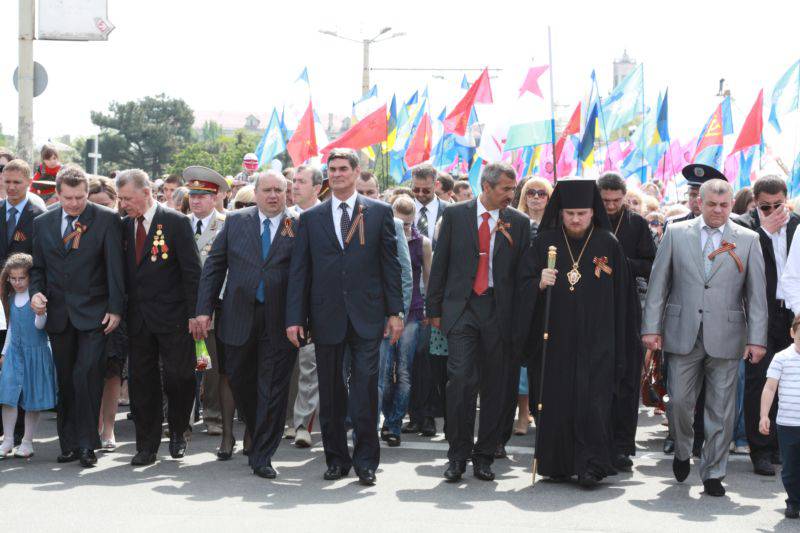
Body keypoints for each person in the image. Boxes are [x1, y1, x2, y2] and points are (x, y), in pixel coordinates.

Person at [642, 178, 767, 497]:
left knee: (721, 408)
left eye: (724, 206)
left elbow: (756, 295)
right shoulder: (676, 233)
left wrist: (757, 339)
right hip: (682, 331)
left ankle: (714, 471)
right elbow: (659, 284)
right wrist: (651, 328)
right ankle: (683, 450)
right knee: (680, 402)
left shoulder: (749, 239)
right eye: (712, 204)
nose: (718, 211)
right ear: (700, 202)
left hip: (727, 335)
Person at [286, 148, 404, 486]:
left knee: (365, 389)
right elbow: (300, 272)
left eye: (342, 169)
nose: (336, 174)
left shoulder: (379, 213)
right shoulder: (311, 218)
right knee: (332, 393)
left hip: (368, 316)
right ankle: (336, 459)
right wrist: (295, 318)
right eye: (331, 169)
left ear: (356, 171)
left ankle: (366, 461)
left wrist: (394, 312)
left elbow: (390, 267)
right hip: (326, 317)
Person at [517, 177, 630, 487]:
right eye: (570, 214)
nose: (576, 219)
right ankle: (558, 463)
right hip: (556, 340)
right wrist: (539, 282)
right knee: (557, 400)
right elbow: (522, 285)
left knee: (594, 402)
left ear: (593, 212)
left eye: (582, 213)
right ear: (562, 213)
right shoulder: (545, 242)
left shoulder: (608, 243)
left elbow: (623, 300)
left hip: (598, 340)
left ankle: (592, 465)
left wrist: (621, 340)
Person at [427, 162, 529, 482]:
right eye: (505, 190)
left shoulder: (519, 222)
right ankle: (457, 455)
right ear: (486, 186)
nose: (511, 196)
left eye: (513, 190)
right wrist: (435, 311)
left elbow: (523, 274)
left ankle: (485, 455)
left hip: (499, 313)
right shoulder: (456, 216)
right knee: (460, 381)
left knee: (496, 386)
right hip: (462, 310)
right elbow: (440, 263)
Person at [196, 170, 299, 479]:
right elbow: (215, 266)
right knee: (241, 381)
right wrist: (204, 310)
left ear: (286, 193)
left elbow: (306, 273)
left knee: (273, 387)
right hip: (239, 315)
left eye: (278, 191)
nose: (273, 196)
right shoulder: (237, 223)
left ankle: (263, 454)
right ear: (255, 193)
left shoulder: (297, 225)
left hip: (280, 319)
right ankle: (256, 428)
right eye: (267, 190)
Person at [30, 164, 124, 467]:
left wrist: (116, 308)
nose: (74, 204)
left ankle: (87, 444)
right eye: (68, 198)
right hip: (58, 314)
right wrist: (36, 293)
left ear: (86, 193)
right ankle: (68, 443)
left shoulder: (107, 219)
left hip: (95, 314)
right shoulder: (42, 223)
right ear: (57, 194)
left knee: (87, 376)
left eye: (80, 197)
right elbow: (38, 268)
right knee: (67, 380)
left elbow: (115, 269)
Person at [117, 168, 201, 466]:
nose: (124, 203)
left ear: (145, 192)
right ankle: (146, 445)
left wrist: (195, 313)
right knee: (142, 382)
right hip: (138, 319)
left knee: (180, 376)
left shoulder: (175, 222)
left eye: (128, 197)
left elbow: (192, 272)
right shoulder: (124, 227)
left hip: (174, 316)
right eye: (121, 198)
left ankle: (178, 428)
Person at [735, 175, 798, 475]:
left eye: (778, 205)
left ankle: (780, 447)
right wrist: (763, 232)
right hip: (761, 312)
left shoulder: (797, 224)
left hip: (794, 313)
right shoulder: (745, 226)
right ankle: (760, 449)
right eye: (765, 206)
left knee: (788, 382)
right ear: (756, 203)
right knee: (759, 380)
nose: (773, 211)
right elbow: (736, 261)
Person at [597, 172, 657, 471]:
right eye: (605, 200)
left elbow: (650, 264)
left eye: (615, 201)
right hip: (593, 306)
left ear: (624, 197)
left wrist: (619, 263)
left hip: (626, 306)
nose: (609, 206)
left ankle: (622, 445)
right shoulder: (589, 219)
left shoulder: (636, 224)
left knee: (626, 377)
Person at [184, 166, 236, 457]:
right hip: (184, 306)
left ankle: (215, 416)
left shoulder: (227, 224)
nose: (196, 201)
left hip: (214, 305)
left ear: (215, 197)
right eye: (192, 195)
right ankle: (184, 417)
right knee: (184, 364)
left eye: (203, 196)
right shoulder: (180, 224)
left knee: (213, 365)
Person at [379, 196, 432, 446]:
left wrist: (429, 312)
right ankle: (386, 417)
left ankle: (394, 424)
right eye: (401, 223)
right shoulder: (385, 238)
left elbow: (427, 280)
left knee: (403, 371)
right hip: (385, 313)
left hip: (413, 312)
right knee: (384, 372)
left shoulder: (423, 244)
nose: (406, 229)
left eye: (410, 224)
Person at [0, 253, 57, 459]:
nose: (17, 283)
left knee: (33, 397)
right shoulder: (10, 297)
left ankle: (27, 441)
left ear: (30, 277)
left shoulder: (38, 296)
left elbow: (40, 326)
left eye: (21, 278)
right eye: (13, 278)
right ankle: (7, 440)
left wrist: (40, 313)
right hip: (15, 351)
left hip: (36, 351)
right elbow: (12, 327)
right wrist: (4, 352)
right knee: (8, 396)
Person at [405, 163, 447, 437]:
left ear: (436, 186)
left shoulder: (450, 212)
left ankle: (429, 414)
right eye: (416, 189)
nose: (420, 195)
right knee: (410, 359)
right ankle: (415, 414)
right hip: (408, 297)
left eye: (426, 190)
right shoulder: (400, 211)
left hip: (436, 295)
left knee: (429, 358)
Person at [87, 177, 128, 451]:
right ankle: (91, 426)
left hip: (118, 308)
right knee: (89, 371)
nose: (101, 209)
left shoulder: (123, 227)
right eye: (95, 204)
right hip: (86, 308)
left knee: (113, 371)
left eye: (106, 204)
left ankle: (109, 428)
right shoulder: (78, 227)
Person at [285, 165, 323, 447]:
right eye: (293, 181)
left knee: (309, 367)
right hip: (281, 303)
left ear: (317, 187)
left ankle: (302, 425)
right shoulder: (286, 219)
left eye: (301, 182)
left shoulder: (324, 218)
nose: (294, 186)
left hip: (313, 306)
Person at [759, 314, 800, 519]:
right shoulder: (781, 357)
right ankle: (793, 501)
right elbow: (769, 388)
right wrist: (764, 415)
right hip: (787, 423)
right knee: (790, 467)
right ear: (793, 333)